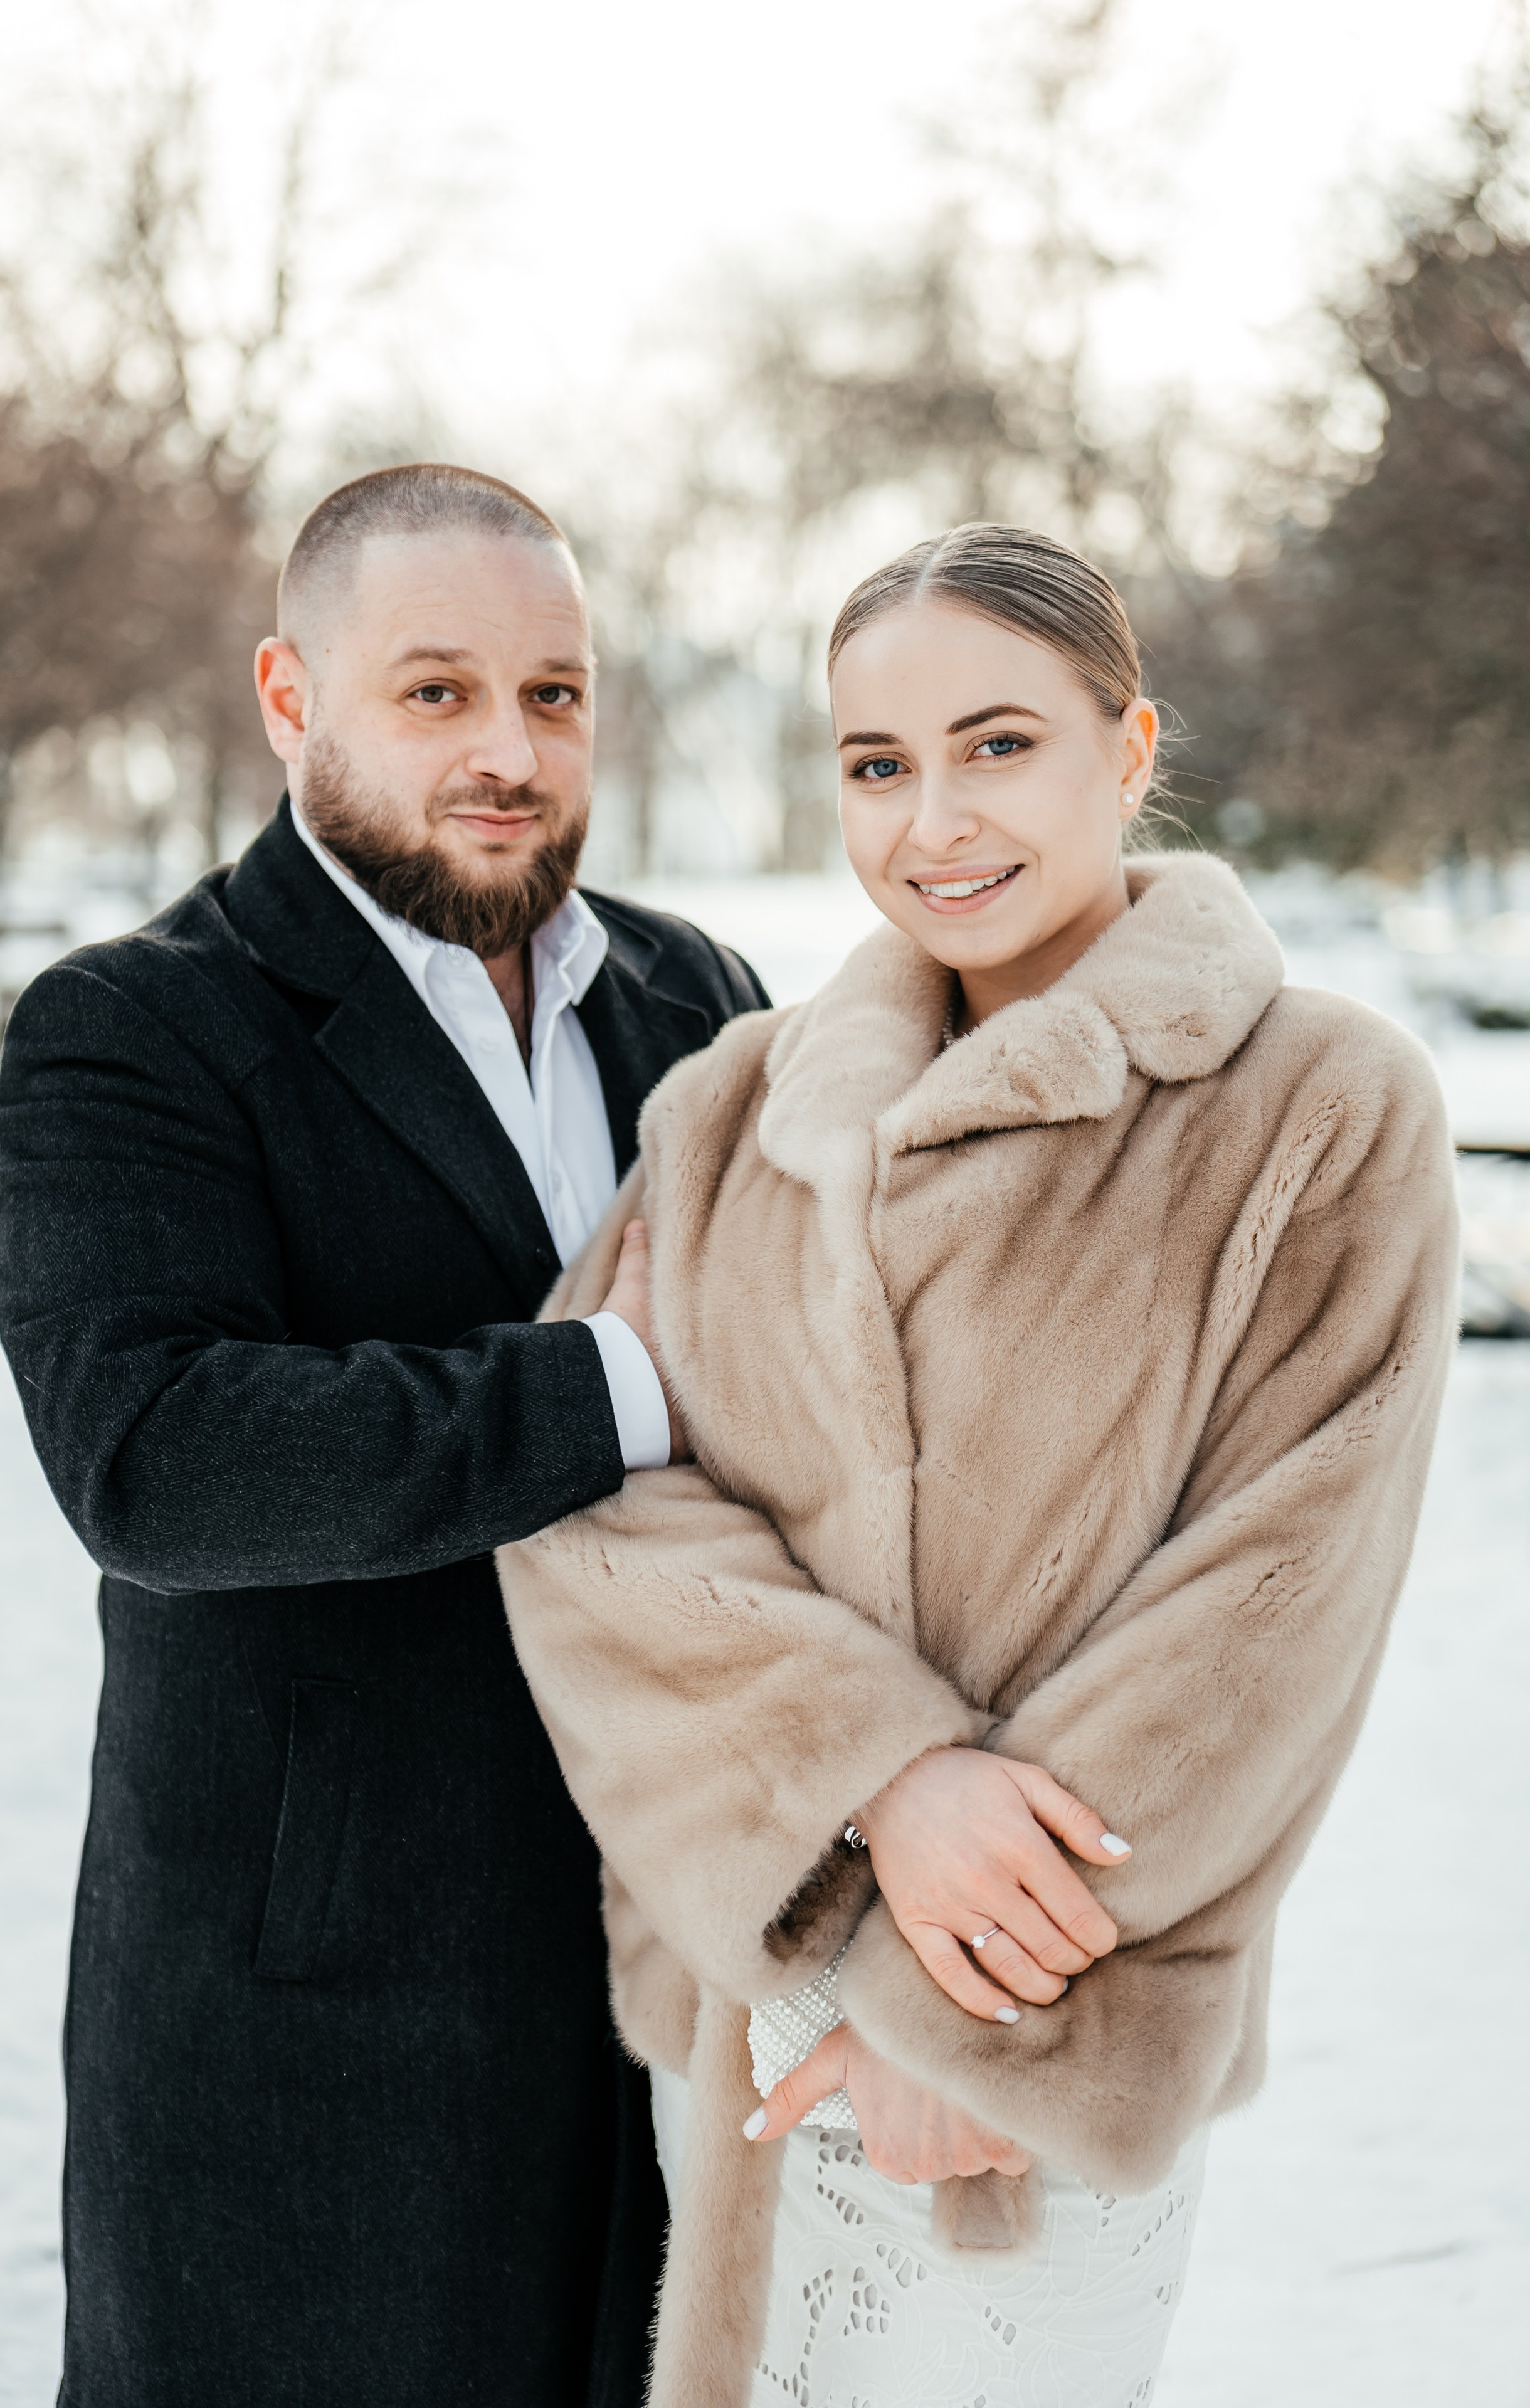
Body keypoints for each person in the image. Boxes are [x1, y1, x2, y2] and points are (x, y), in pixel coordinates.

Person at [499, 523, 1460, 2407]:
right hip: (750, 2017)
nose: (934, 821)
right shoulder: (731, 1113)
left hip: (1041, 2043)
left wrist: (959, 2025)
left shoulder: (1321, 1105)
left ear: (1130, 744)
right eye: (879, 765)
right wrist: (878, 1767)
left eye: (999, 745)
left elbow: (1279, 1600)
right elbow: (590, 1511)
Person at [0, 462, 768, 2408]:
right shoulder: (132, 1030)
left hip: (684, 1998)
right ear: (291, 696)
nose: (510, 751)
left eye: (556, 694)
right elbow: (158, 1458)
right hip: (316, 2052)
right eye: (437, 692)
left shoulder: (706, 1006)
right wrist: (627, 1384)